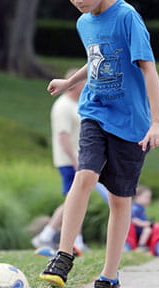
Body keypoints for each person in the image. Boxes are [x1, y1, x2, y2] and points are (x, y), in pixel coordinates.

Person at [39, 0, 159, 288]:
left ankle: (108, 280)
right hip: (95, 112)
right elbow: (94, 59)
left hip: (131, 125)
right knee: (84, 176)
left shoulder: (127, 18)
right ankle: (63, 255)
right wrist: (70, 83)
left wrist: (158, 120)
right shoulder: (83, 22)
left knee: (119, 201)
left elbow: (149, 69)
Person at [32, 68, 109, 252]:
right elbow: (63, 136)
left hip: (81, 158)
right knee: (75, 199)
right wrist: (75, 159)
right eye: (83, 82)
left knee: (75, 199)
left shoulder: (76, 104)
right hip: (70, 161)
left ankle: (55, 236)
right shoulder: (63, 106)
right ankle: (52, 235)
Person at [125, 186, 153, 251]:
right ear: (138, 197)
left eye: (149, 198)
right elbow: (133, 219)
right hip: (136, 229)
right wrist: (143, 224)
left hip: (140, 228)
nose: (149, 200)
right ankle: (141, 245)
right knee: (147, 230)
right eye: (147, 197)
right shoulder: (135, 208)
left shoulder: (142, 207)